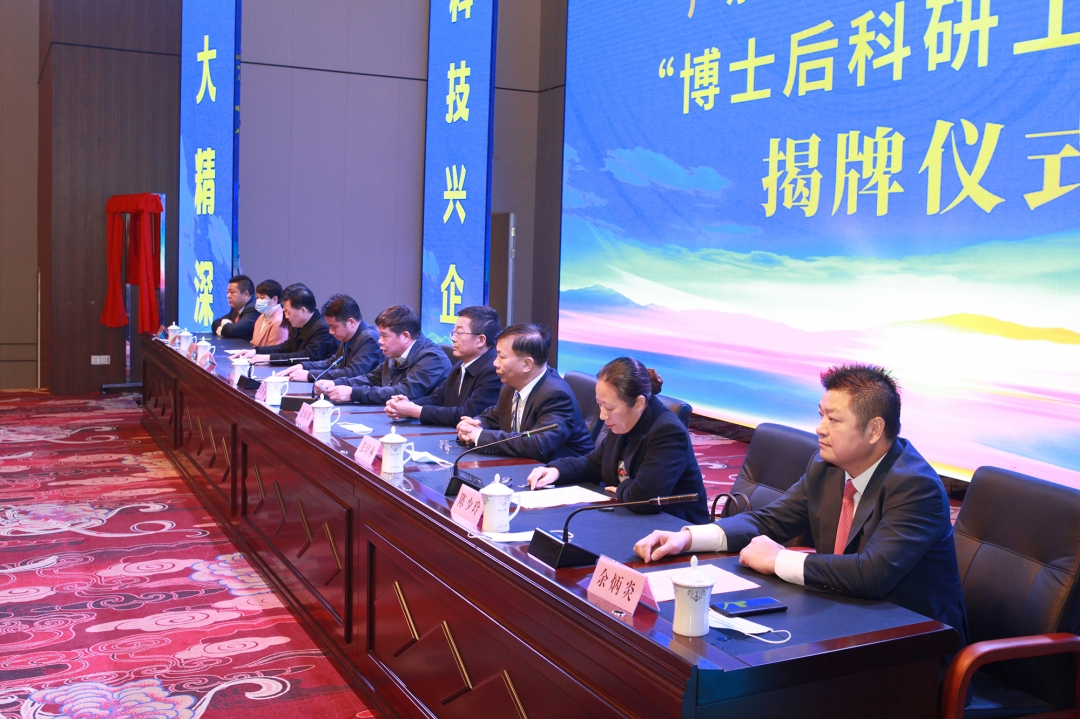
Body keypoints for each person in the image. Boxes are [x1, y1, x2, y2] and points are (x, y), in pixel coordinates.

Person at [633, 364, 968, 642]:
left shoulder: (914, 486)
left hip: (913, 642)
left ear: (874, 430)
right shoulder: (826, 467)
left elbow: (872, 573)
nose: (820, 429)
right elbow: (769, 521)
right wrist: (688, 538)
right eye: (821, 415)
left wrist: (778, 559)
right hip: (842, 616)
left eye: (833, 420)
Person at [527, 358, 709, 523]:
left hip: (674, 529)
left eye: (609, 408)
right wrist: (556, 470)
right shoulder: (623, 422)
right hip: (632, 519)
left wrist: (621, 488)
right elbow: (594, 464)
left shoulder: (668, 432)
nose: (603, 415)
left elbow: (645, 499)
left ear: (638, 403)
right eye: (600, 405)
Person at [456, 323, 594, 462]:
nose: (495, 363)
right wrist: (474, 425)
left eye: (502, 357)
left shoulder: (556, 395)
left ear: (527, 364)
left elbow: (538, 444)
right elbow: (494, 416)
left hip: (560, 471)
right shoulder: (510, 385)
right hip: (523, 466)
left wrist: (480, 436)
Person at [385, 305, 502, 426]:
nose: (453, 338)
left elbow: (468, 414)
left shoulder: (493, 370)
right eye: (454, 332)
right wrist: (408, 404)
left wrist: (415, 411)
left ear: (481, 340)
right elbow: (437, 399)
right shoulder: (460, 366)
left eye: (459, 333)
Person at [315, 305, 451, 404]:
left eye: (384, 336)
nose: (379, 341)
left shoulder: (432, 358)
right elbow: (373, 378)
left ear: (405, 336)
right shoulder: (396, 354)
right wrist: (336, 383)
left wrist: (353, 393)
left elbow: (403, 392)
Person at [279, 294, 381, 383]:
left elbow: (352, 373)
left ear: (351, 322)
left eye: (334, 327)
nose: (331, 332)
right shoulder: (348, 336)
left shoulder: (369, 339)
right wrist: (303, 366)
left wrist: (310, 375)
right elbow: (332, 362)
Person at [238, 284, 338, 364]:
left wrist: (269, 358)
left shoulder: (322, 328)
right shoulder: (300, 324)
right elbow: (286, 347)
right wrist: (256, 351)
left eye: (288, 312)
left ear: (303, 310)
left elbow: (307, 357)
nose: (286, 316)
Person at [211, 275, 259, 340]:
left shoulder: (253, 309)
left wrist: (225, 324)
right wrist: (226, 328)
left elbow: (233, 331)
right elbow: (215, 323)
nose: (228, 296)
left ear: (245, 294)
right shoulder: (236, 308)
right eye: (228, 292)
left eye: (232, 292)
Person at [250, 279, 290, 347]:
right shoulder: (261, 317)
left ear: (274, 299)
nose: (258, 301)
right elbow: (254, 343)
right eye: (257, 297)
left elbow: (274, 350)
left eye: (262, 298)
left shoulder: (279, 321)